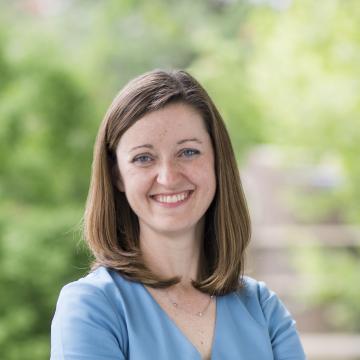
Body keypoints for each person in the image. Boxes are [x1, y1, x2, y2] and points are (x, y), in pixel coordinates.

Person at [51, 69, 306, 360]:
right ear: (117, 176)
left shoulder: (263, 309)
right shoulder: (92, 308)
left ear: (217, 161)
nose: (168, 177)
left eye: (187, 152)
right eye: (143, 158)